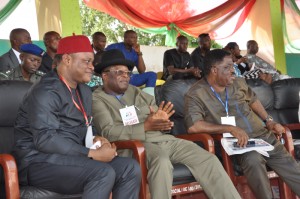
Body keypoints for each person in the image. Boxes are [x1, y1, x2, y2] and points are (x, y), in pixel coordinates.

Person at [92, 49, 241, 199]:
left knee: (208, 159)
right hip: (136, 146)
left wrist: (163, 122)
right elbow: (108, 132)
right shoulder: (97, 99)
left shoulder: (137, 92)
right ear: (105, 75)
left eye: (127, 72)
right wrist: (145, 126)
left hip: (164, 140)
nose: (125, 76)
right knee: (161, 161)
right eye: (119, 72)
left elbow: (158, 116)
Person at [13, 35, 141, 199]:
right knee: (102, 172)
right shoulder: (45, 91)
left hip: (72, 157)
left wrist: (97, 138)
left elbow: (87, 125)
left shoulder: (84, 91)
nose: (91, 67)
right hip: (38, 161)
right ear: (67, 59)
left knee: (130, 168)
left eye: (92, 62)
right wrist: (92, 154)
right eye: (86, 61)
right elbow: (45, 139)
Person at [184, 49, 300, 199]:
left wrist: (269, 121)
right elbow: (194, 126)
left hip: (262, 136)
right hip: (236, 145)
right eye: (228, 67)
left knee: (291, 167)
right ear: (214, 70)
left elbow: (253, 100)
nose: (233, 71)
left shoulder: (238, 82)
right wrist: (229, 128)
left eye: (233, 66)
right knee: (253, 159)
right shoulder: (196, 93)